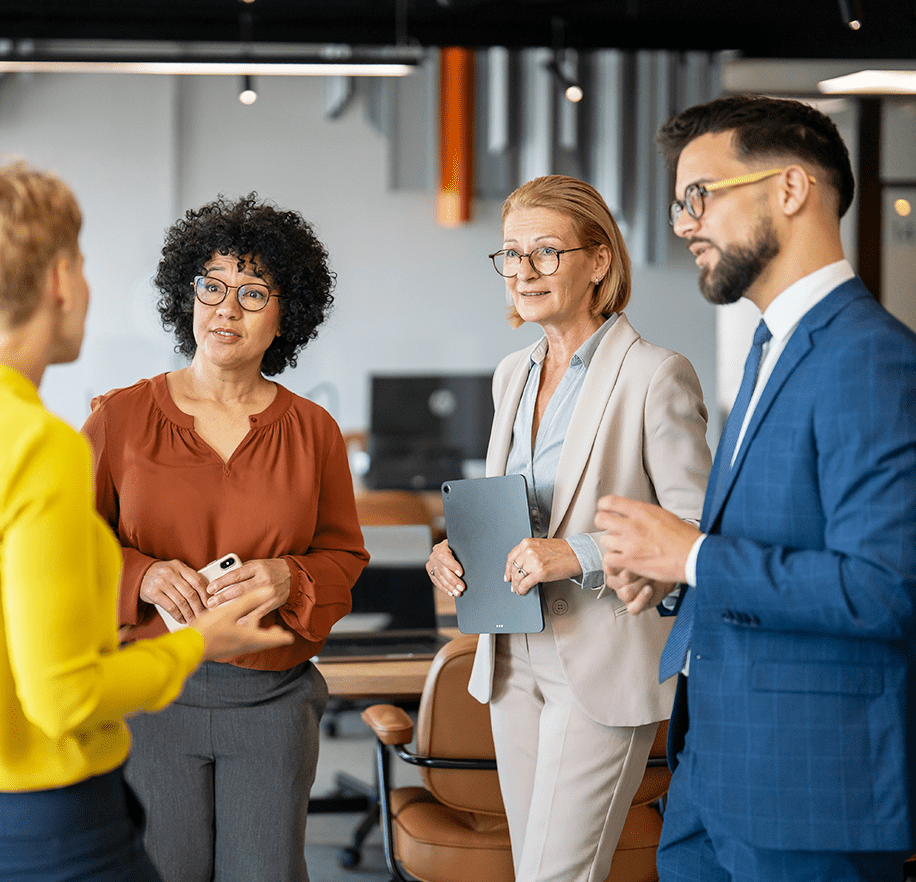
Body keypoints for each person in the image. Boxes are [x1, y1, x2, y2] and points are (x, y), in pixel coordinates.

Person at [0, 159, 295, 882]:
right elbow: (66, 698)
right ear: (59, 280)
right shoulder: (38, 448)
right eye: (80, 264)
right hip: (32, 828)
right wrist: (194, 645)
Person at [595, 96, 916, 882]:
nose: (682, 223)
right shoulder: (773, 346)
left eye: (700, 195)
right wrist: (672, 575)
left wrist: (694, 557)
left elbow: (884, 589)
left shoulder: (870, 360)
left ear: (791, 188)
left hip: (810, 786)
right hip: (713, 773)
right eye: (679, 202)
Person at [426, 175, 712, 882]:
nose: (522, 272)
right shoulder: (511, 375)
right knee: (535, 869)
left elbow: (697, 526)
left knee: (557, 875)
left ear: (599, 261)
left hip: (603, 658)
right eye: (511, 254)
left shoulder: (654, 374)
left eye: (546, 253)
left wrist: (578, 554)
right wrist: (454, 550)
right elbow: (516, 507)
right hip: (510, 655)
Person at [80, 193, 369, 882]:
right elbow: (65, 547)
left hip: (272, 703)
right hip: (153, 694)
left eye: (252, 291)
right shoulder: (118, 418)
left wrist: (289, 579)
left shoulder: (313, 430)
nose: (225, 308)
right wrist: (139, 574)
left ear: (285, 313)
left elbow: (343, 556)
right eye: (210, 286)